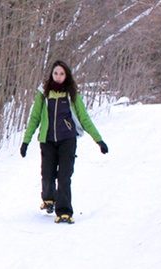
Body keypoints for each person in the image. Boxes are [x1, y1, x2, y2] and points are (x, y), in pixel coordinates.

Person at [21, 59, 108, 224]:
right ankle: (49, 198)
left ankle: (64, 211)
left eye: (61, 73)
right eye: (55, 73)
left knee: (64, 176)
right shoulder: (44, 93)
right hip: (47, 140)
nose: (58, 76)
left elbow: (84, 118)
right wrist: (26, 141)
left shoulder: (72, 94)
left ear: (66, 75)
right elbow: (35, 118)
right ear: (51, 75)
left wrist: (99, 141)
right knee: (47, 175)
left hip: (67, 140)